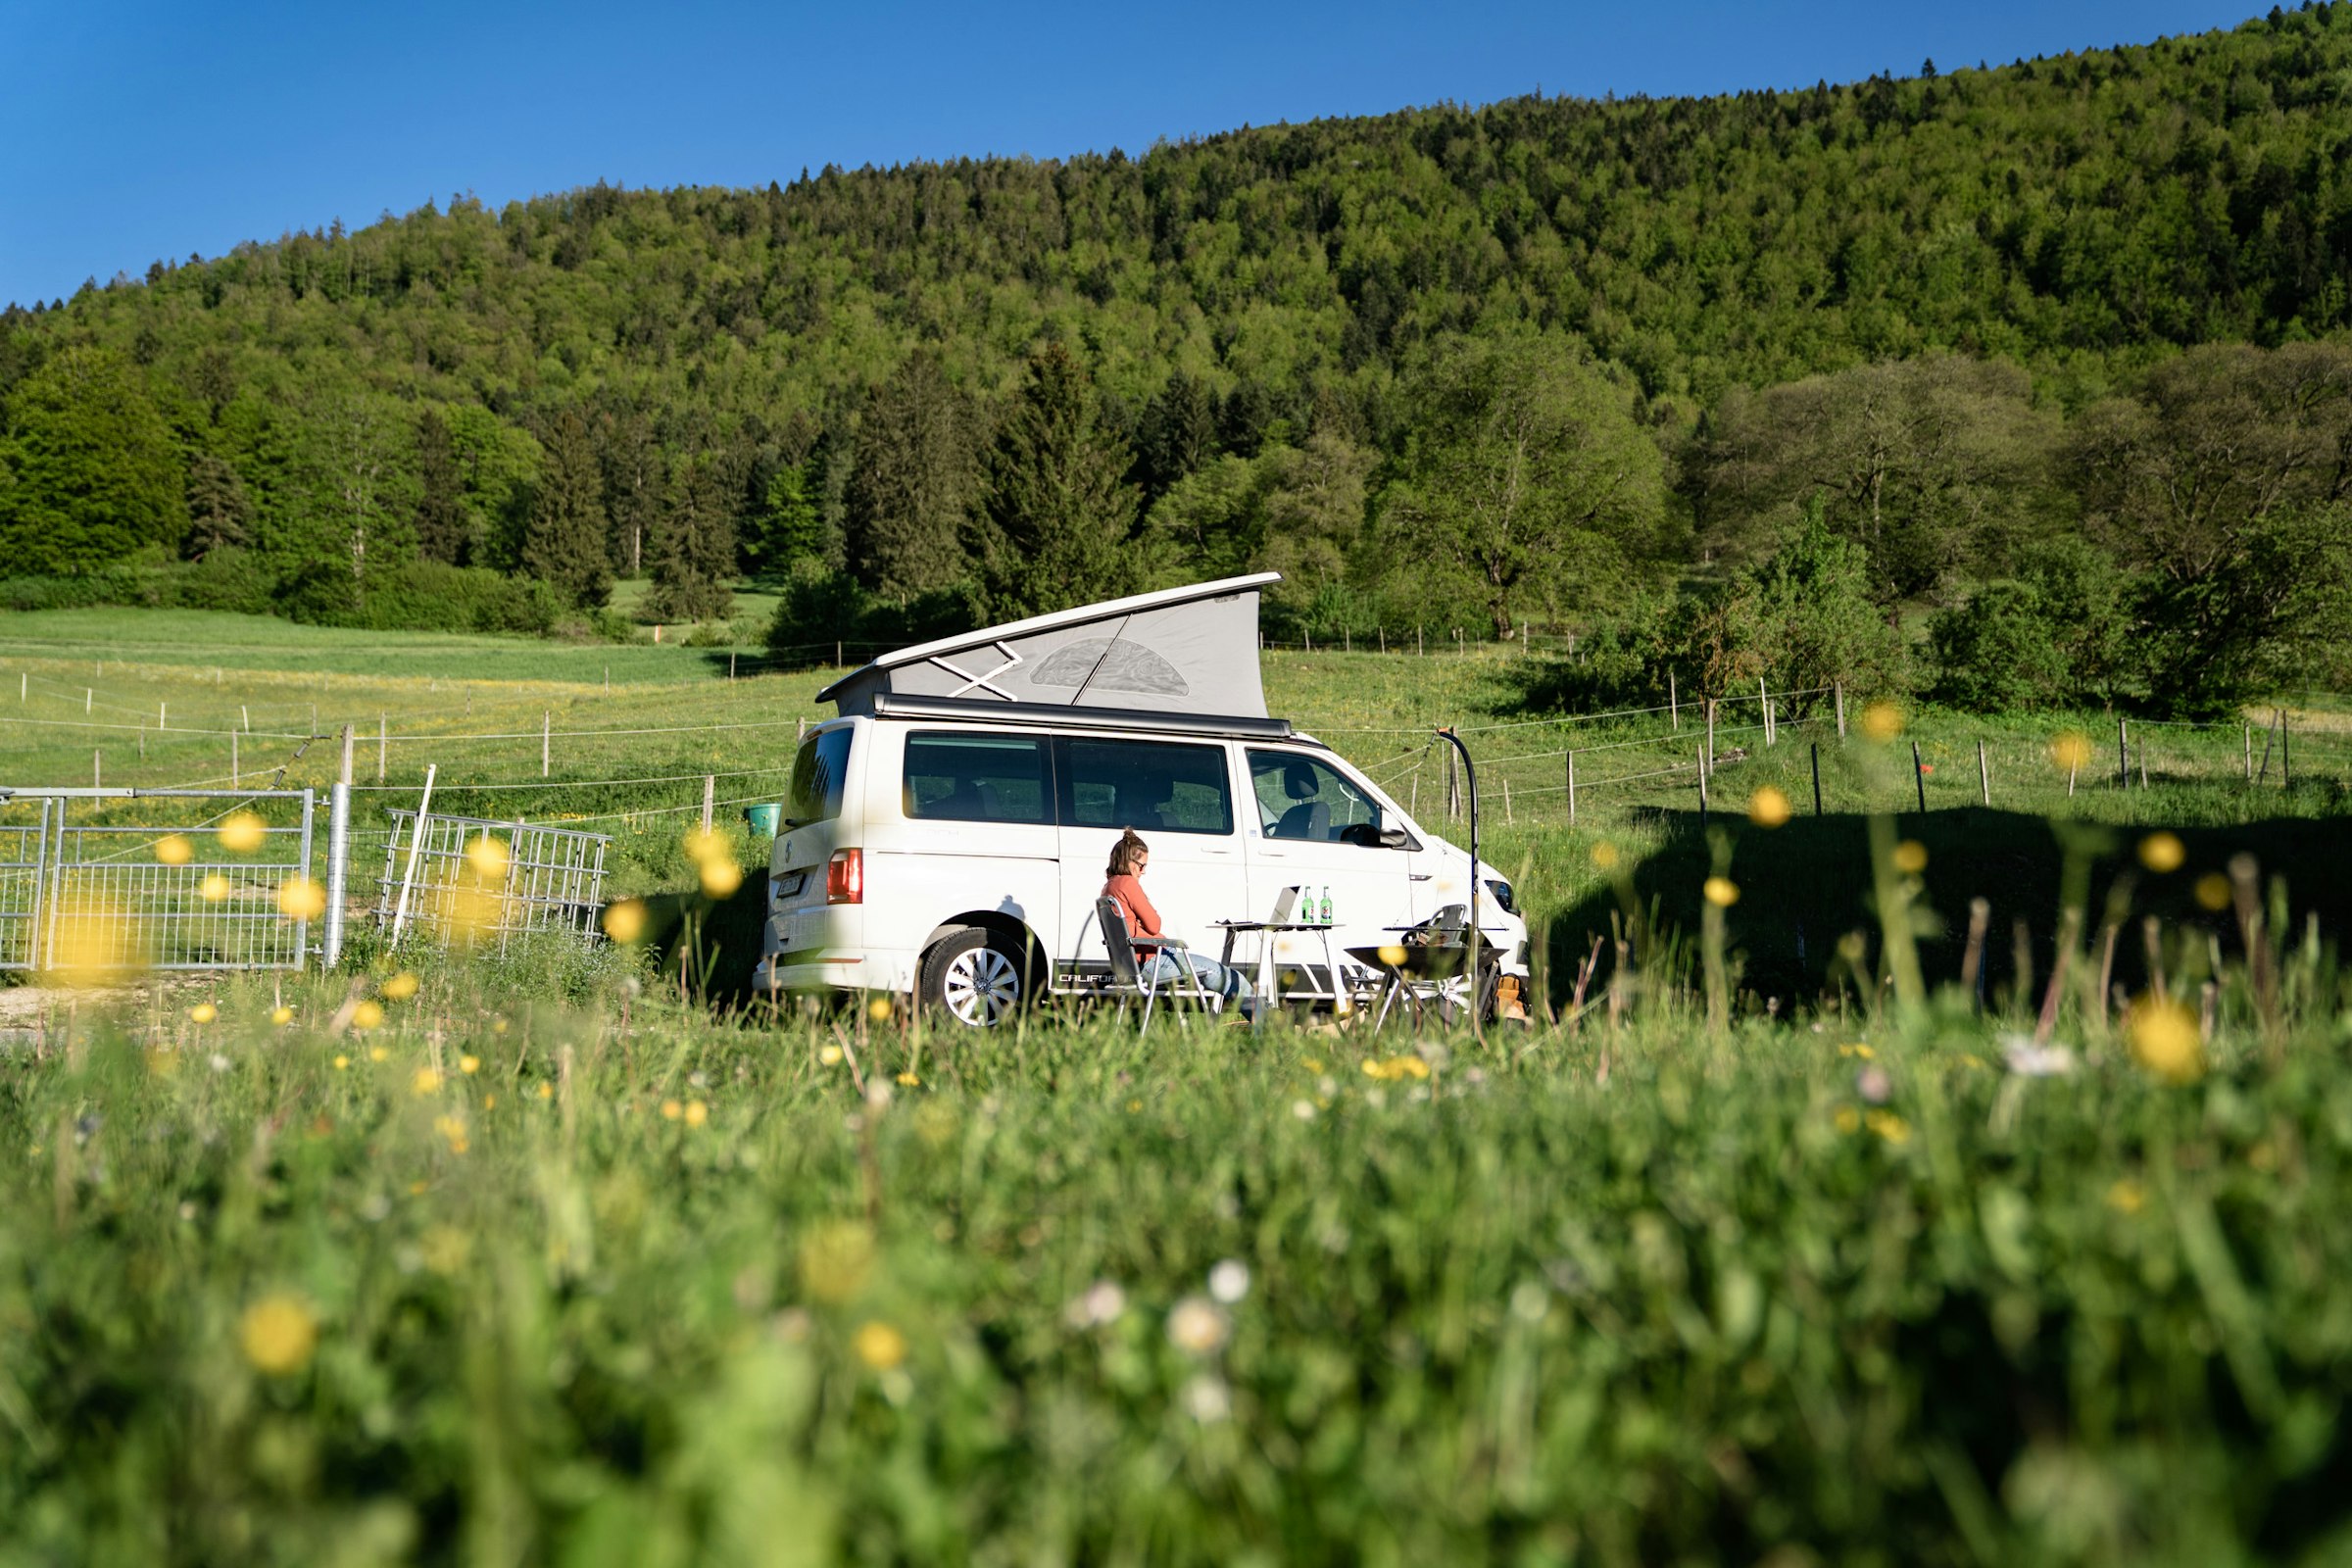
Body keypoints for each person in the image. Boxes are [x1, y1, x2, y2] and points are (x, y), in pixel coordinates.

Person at [1100, 828, 1254, 1017]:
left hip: (1132, 966)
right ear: (1128, 862)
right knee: (1227, 975)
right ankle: (1268, 1023)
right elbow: (1154, 924)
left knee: (1218, 974)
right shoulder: (1128, 884)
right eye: (1141, 866)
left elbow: (1134, 930)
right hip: (1152, 962)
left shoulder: (1109, 887)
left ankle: (1266, 1017)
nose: (1143, 871)